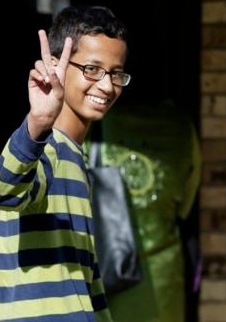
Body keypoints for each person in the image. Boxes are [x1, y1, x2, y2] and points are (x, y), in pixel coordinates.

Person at [0, 5, 130, 322]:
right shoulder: (46, 149)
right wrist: (36, 124)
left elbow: (84, 276)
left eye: (116, 73)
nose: (106, 85)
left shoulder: (74, 157)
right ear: (54, 65)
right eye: (92, 69)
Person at [85, 98, 202, 322]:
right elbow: (187, 197)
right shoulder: (180, 125)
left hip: (105, 272)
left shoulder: (93, 119)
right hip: (162, 276)